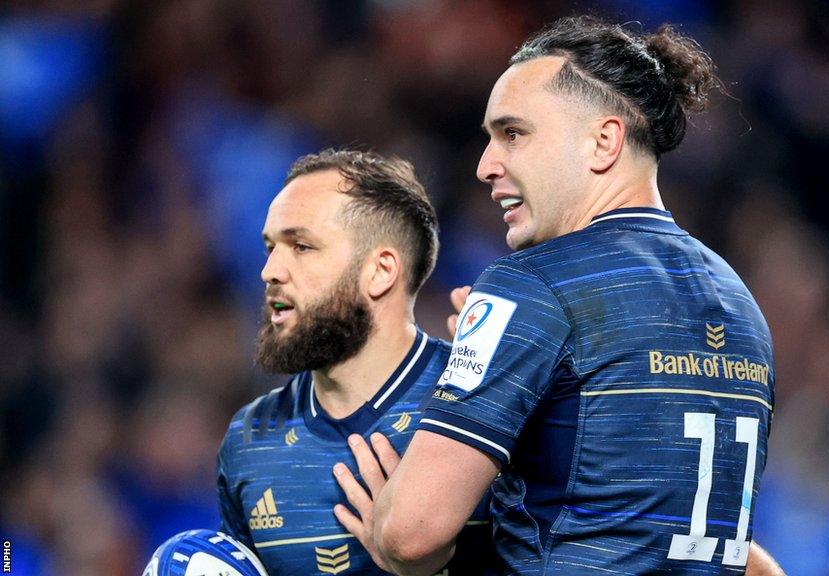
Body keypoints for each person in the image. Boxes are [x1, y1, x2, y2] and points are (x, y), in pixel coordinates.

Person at [334, 16, 781, 575]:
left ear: (603, 140)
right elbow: (734, 556)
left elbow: (413, 533)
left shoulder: (532, 284)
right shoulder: (740, 306)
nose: (485, 165)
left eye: (513, 133)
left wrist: (388, 528)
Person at [216, 149, 496, 575]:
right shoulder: (249, 439)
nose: (270, 271)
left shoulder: (480, 403)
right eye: (271, 248)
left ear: (381, 271)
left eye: (302, 246)